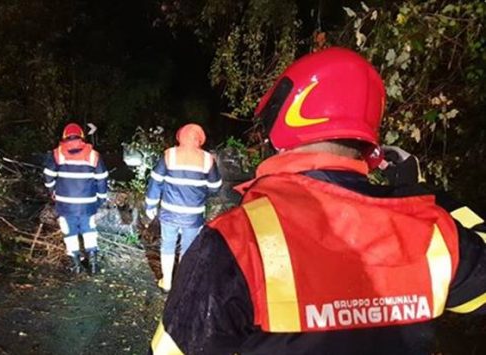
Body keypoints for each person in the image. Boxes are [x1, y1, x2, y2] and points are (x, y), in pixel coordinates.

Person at [150, 47, 486, 354]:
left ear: (285, 121)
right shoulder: (432, 231)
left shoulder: (238, 240)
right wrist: (430, 196)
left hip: (178, 218)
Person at [144, 123, 222, 292]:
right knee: (188, 247)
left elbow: (155, 181)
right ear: (199, 139)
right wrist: (201, 191)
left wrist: (150, 204)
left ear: (180, 137)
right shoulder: (207, 159)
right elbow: (215, 187)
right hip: (193, 215)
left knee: (167, 245)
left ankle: (167, 282)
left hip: (169, 213)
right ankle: (182, 283)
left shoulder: (170, 155)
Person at [43, 123, 108, 274]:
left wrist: (52, 190)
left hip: (65, 204)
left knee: (69, 231)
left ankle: (76, 265)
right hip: (87, 203)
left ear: (64, 137)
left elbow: (48, 175)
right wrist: (101, 198)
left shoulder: (57, 154)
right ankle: (92, 264)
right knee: (89, 229)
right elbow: (102, 178)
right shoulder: (93, 155)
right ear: (82, 137)